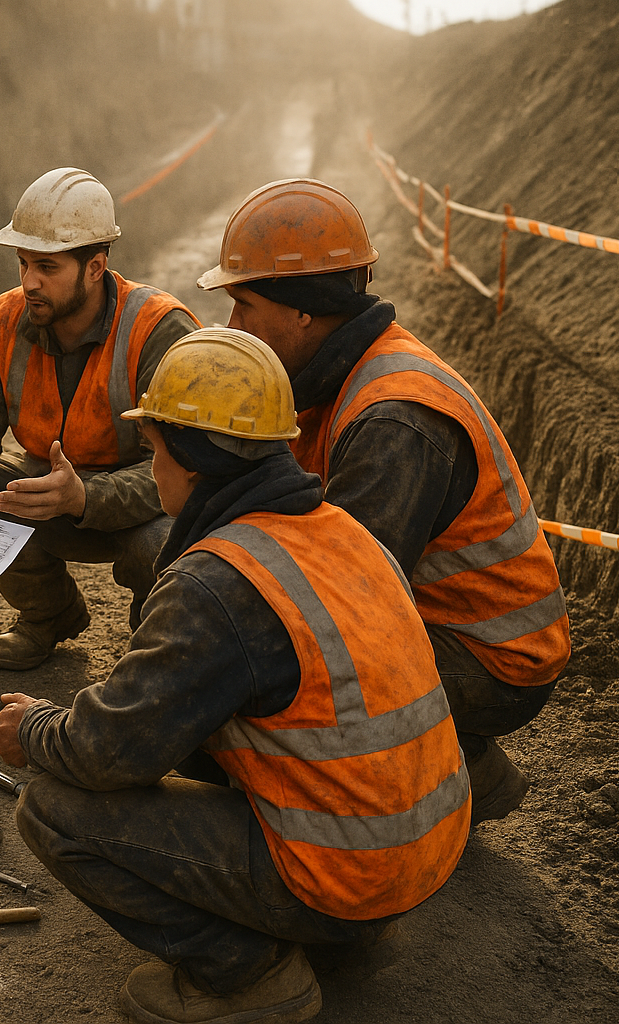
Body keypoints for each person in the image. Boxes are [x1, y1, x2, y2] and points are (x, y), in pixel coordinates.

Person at [0, 327, 470, 1024]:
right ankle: (344, 932)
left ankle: (249, 974)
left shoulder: (220, 583)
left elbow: (106, 750)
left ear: (190, 454)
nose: (152, 469)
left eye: (154, 450)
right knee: (203, 736)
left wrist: (35, 726)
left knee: (53, 809)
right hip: (424, 851)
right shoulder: (339, 528)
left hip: (352, 871)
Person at [196, 178, 569, 822]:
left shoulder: (392, 420)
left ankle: (452, 780)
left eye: (245, 305)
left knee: (275, 687)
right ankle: (456, 762)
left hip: (490, 657)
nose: (234, 326)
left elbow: (345, 604)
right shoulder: (339, 373)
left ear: (303, 309)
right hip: (448, 624)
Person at [0, 167, 201, 669]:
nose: (30, 282)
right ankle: (50, 615)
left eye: (47, 267)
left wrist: (87, 497)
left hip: (144, 505)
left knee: (165, 543)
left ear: (95, 267)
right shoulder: (7, 317)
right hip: (50, 496)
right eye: (23, 263)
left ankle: (155, 636)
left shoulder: (159, 329)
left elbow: (187, 466)